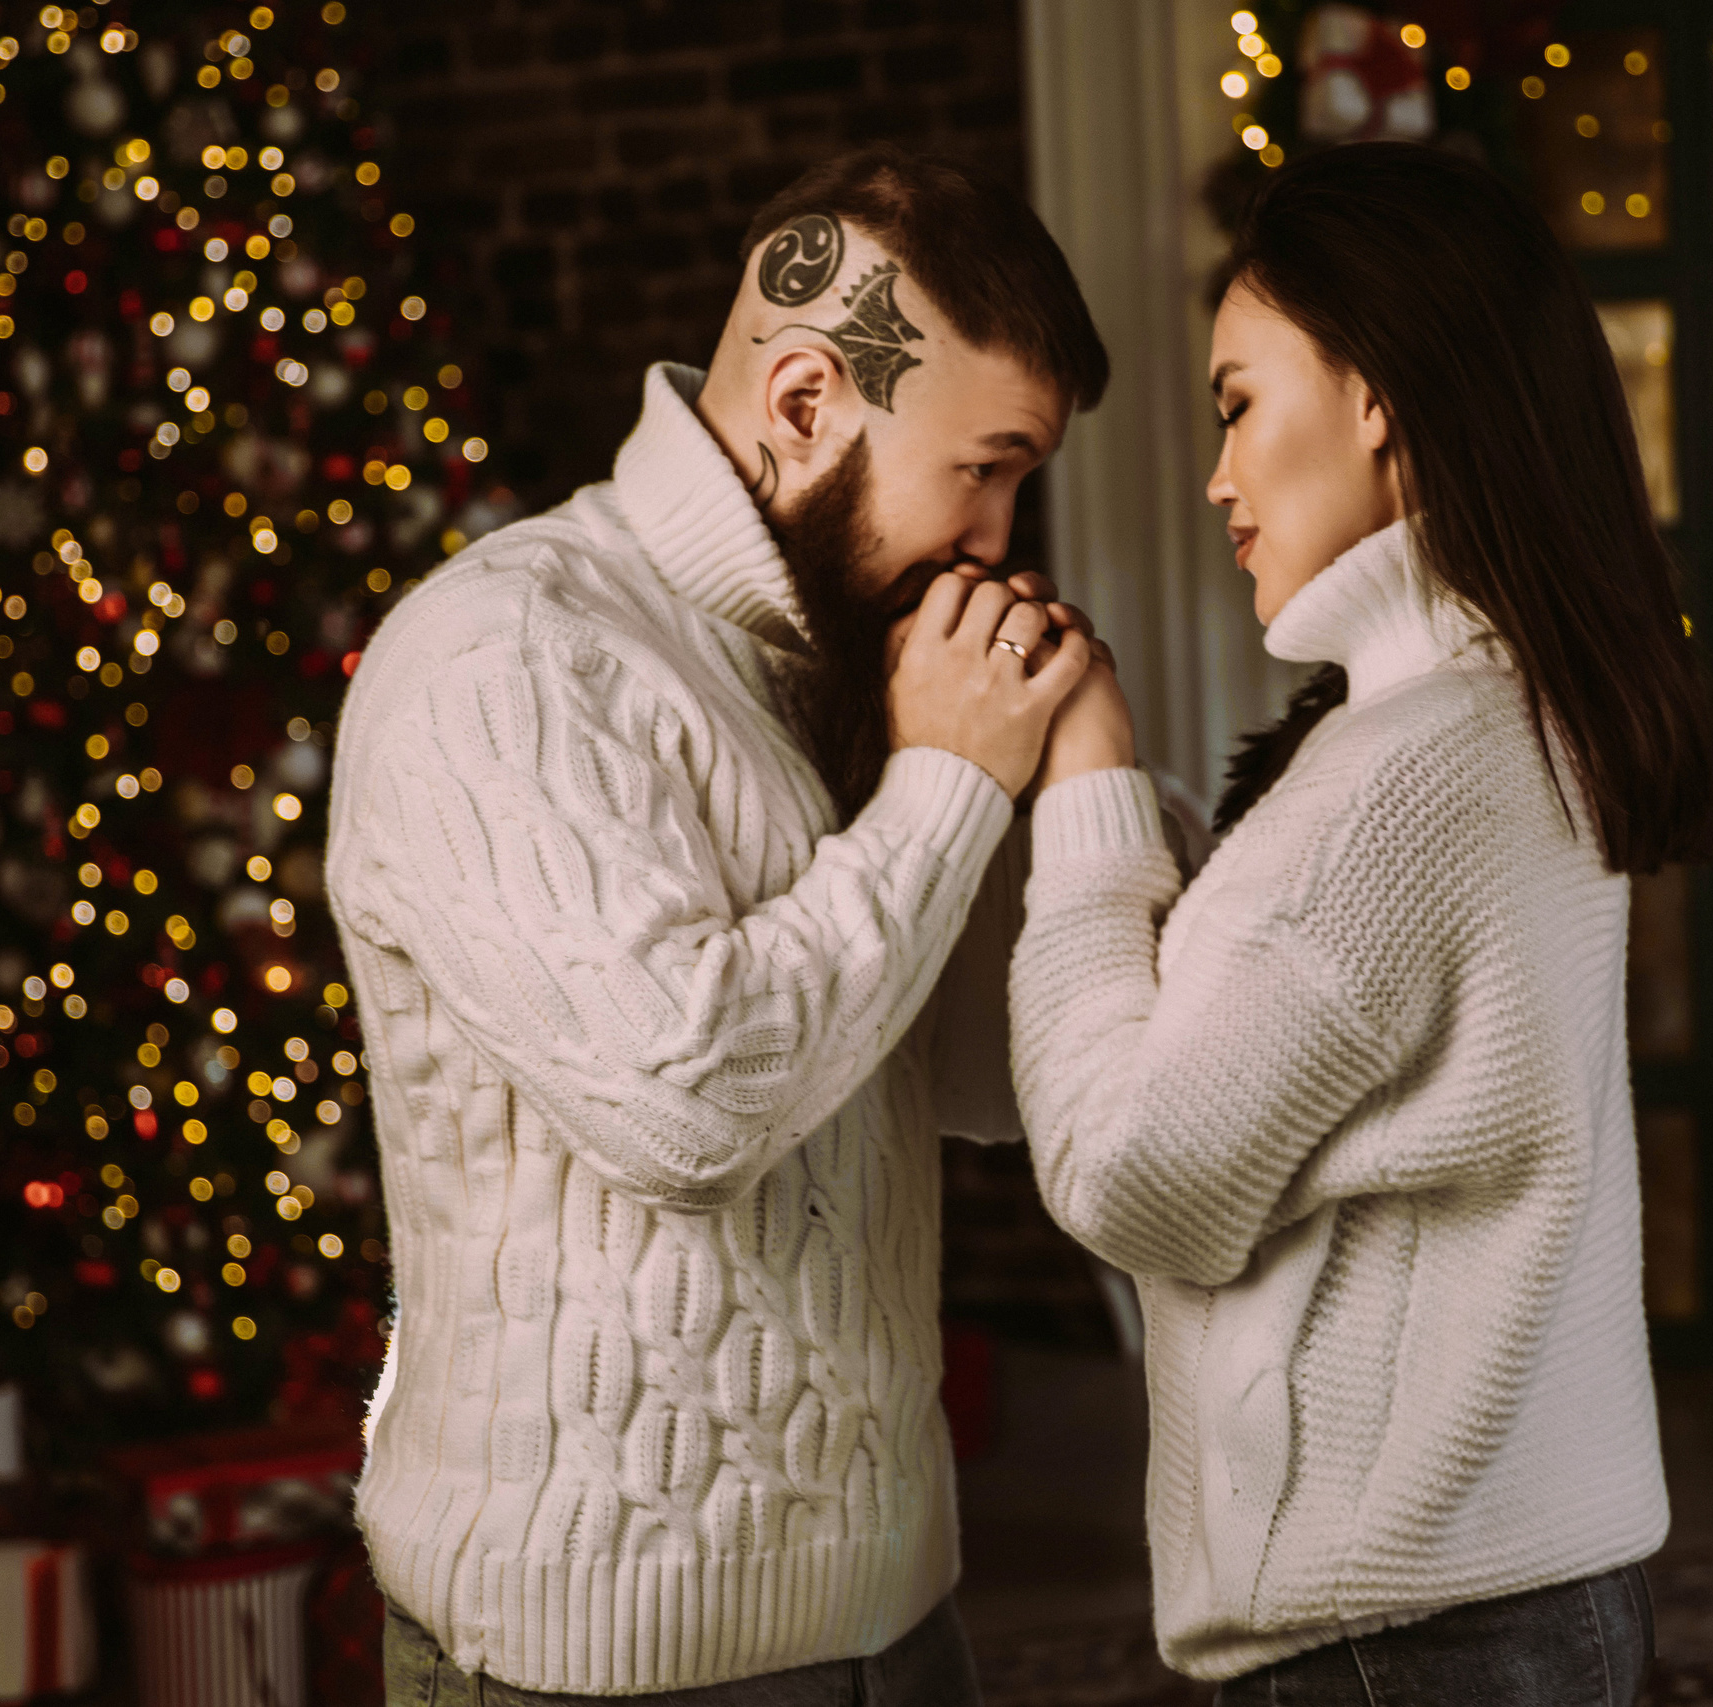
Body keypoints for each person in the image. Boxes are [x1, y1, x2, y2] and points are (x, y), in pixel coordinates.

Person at [325, 146, 1108, 1705]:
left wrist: (1062, 780)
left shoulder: (838, 650)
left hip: (900, 1613)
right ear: (808, 401)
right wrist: (952, 781)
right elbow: (685, 1101)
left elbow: (971, 1084)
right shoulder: (505, 653)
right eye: (987, 466)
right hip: (602, 1663)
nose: (1003, 539)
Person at [1007, 141, 1713, 1705]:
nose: (1216, 475)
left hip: (1402, 1639)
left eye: (1237, 403)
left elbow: (1135, 1182)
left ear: (1378, 394)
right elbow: (1291, 1013)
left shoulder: (1406, 773)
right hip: (1505, 1600)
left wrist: (1084, 789)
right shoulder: (1489, 714)